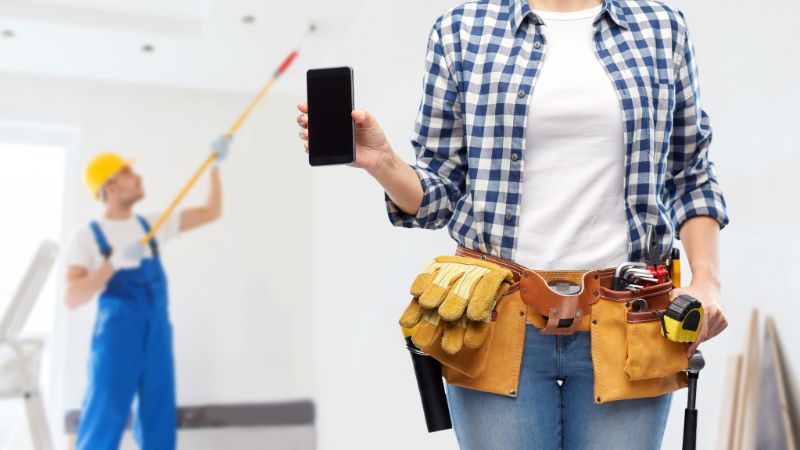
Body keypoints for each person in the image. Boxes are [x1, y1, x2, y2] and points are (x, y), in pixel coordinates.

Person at [298, 0, 729, 448]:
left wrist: (707, 284)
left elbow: (689, 174)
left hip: (629, 319)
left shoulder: (661, 27)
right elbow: (440, 192)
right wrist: (383, 162)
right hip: (496, 318)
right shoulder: (462, 29)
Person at [64, 136, 231, 450]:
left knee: (159, 421)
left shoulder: (152, 226)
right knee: (103, 419)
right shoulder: (86, 237)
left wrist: (215, 169)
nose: (138, 177)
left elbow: (210, 211)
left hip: (157, 334)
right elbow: (72, 298)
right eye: (128, 172)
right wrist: (111, 265)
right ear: (109, 187)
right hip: (116, 339)